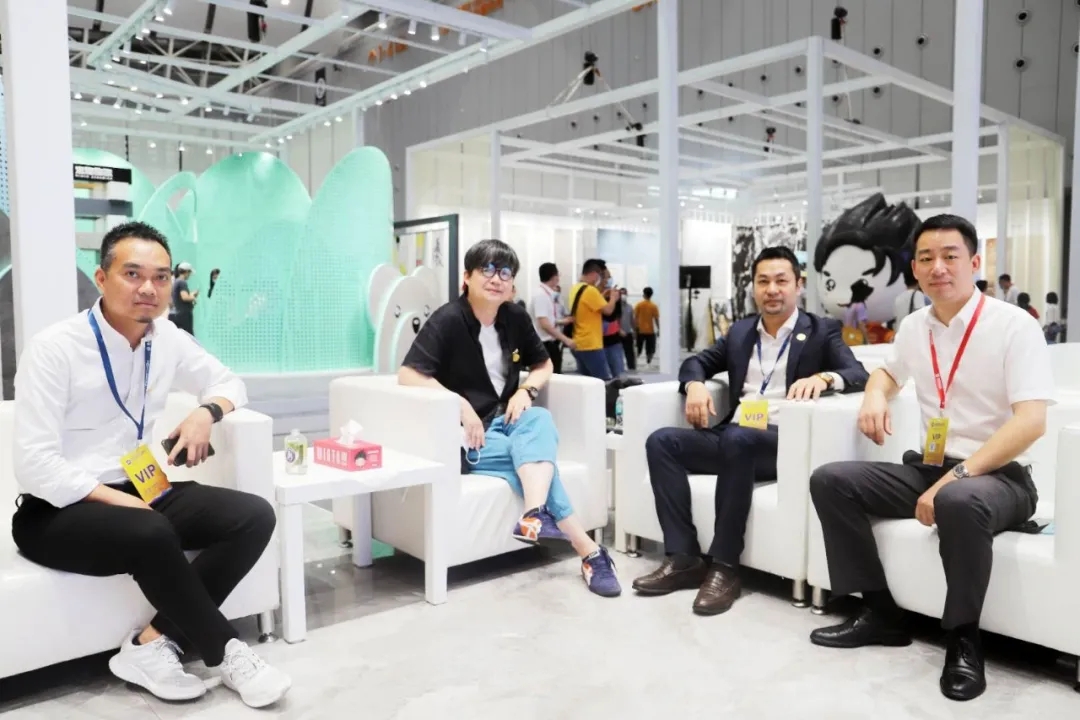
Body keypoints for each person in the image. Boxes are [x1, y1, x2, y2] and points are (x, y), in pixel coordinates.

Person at [10, 222, 291, 708]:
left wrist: (206, 413)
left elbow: (230, 383)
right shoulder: (55, 348)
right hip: (57, 510)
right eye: (133, 274)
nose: (149, 288)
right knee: (152, 529)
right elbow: (35, 464)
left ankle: (150, 645)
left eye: (161, 277)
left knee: (253, 515)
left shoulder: (167, 338)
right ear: (102, 278)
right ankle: (227, 653)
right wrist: (122, 503)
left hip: (141, 486)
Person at [808, 214, 1054, 702]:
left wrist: (957, 476)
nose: (937, 267)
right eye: (926, 258)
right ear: (915, 269)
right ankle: (879, 611)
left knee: (957, 501)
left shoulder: (1014, 326)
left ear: (974, 263)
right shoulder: (914, 326)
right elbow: (888, 373)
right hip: (929, 468)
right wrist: (874, 395)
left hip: (1000, 479)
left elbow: (1031, 422)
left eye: (950, 256)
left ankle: (963, 637)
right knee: (830, 480)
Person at [632, 246, 869, 615]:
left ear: (798, 285)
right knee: (662, 442)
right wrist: (694, 385)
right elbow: (697, 361)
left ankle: (725, 566)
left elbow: (858, 374)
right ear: (753, 287)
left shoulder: (821, 330)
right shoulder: (741, 331)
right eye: (763, 281)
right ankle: (683, 557)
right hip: (735, 437)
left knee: (738, 437)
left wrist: (824, 378)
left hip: (779, 442)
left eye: (781, 281)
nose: (772, 289)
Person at [399, 239, 621, 597]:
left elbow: (543, 364)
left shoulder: (514, 317)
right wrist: (458, 404)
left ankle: (533, 513)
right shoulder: (448, 319)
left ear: (512, 283)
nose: (496, 278)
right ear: (467, 277)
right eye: (486, 269)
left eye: (505, 272)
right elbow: (408, 374)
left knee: (540, 419)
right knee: (538, 461)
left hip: (506, 421)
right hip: (466, 436)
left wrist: (526, 391)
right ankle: (590, 552)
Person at [568, 259, 619, 380]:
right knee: (602, 382)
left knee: (588, 383)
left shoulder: (576, 288)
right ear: (594, 274)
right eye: (600, 276)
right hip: (591, 345)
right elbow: (608, 310)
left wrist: (602, 296)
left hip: (579, 343)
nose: (599, 280)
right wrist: (613, 298)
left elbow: (589, 307)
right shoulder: (590, 290)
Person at [529, 262, 574, 374]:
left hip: (550, 344)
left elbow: (550, 320)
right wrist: (566, 339)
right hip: (544, 345)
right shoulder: (540, 295)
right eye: (558, 275)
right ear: (554, 277)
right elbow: (544, 324)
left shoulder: (548, 294)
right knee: (548, 377)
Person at [634, 286, 660, 365]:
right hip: (650, 331)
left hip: (640, 330)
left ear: (644, 294)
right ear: (651, 295)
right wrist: (659, 329)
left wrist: (635, 329)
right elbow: (656, 319)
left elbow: (635, 318)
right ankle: (649, 358)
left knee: (638, 347)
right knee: (651, 348)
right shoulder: (654, 306)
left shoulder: (639, 305)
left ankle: (636, 359)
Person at [171, 262, 197, 335]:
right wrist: (193, 297)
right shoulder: (182, 282)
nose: (189, 275)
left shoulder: (176, 281)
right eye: (189, 273)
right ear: (187, 272)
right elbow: (185, 297)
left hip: (178, 313)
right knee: (188, 336)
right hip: (184, 314)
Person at [619, 288, 637, 372]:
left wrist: (635, 331)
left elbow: (632, 320)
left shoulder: (629, 307)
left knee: (630, 354)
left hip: (628, 333)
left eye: (625, 294)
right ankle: (619, 370)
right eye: (622, 294)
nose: (623, 296)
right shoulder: (615, 307)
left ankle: (632, 370)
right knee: (618, 354)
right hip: (617, 334)